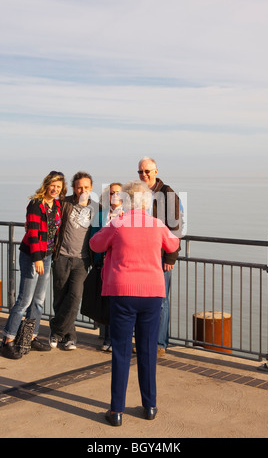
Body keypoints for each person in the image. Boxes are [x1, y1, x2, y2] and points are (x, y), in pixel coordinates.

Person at [89, 180, 179, 426]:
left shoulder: (117, 223)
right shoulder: (156, 224)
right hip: (152, 294)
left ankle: (116, 411)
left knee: (120, 350)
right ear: (148, 202)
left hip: (123, 293)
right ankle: (149, 406)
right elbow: (173, 243)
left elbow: (95, 244)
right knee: (148, 350)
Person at [0, 171, 67, 360]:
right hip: (32, 256)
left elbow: (54, 232)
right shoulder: (36, 204)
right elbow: (33, 233)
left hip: (46, 256)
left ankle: (30, 337)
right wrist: (37, 258)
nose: (55, 189)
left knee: (38, 301)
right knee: (24, 301)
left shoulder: (58, 205)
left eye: (59, 187)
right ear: (46, 184)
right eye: (53, 185)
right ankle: (8, 340)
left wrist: (46, 256)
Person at [138, 157, 182, 357]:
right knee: (143, 301)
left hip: (161, 256)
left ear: (156, 171)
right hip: (141, 256)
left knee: (161, 301)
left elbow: (175, 229)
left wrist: (170, 258)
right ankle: (145, 341)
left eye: (147, 171)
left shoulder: (168, 194)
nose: (144, 175)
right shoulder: (137, 193)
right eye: (141, 172)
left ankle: (160, 344)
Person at [49, 171, 98, 351]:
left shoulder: (97, 208)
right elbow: (50, 220)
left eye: (86, 187)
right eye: (79, 187)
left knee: (75, 296)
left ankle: (56, 332)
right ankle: (70, 336)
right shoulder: (64, 204)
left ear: (91, 187)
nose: (82, 190)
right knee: (60, 297)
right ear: (74, 188)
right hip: (61, 256)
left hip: (82, 260)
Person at [90, 182, 123, 352]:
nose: (115, 195)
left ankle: (116, 339)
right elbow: (94, 236)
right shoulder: (102, 214)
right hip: (104, 264)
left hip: (121, 264)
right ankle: (108, 338)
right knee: (108, 303)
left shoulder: (129, 215)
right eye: (111, 193)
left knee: (119, 303)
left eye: (118, 192)